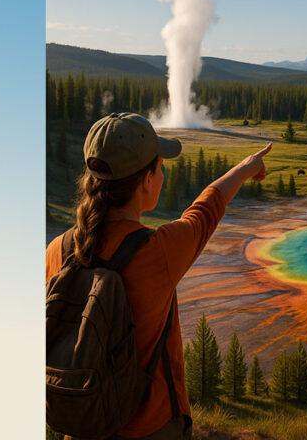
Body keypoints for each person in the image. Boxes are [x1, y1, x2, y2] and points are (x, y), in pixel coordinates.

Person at [46, 113, 272, 439]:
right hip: (150, 429)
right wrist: (247, 167)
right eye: (160, 167)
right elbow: (205, 210)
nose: (163, 174)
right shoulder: (159, 252)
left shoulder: (58, 250)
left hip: (81, 424)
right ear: (146, 181)